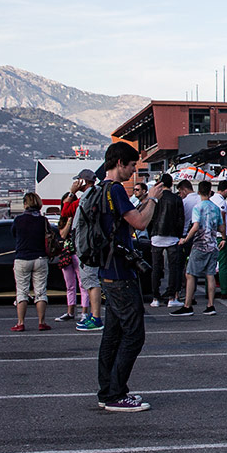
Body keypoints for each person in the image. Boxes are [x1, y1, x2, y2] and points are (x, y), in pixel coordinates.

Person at [96, 141, 165, 412]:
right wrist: (155, 200)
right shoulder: (115, 189)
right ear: (120, 163)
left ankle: (109, 390)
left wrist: (147, 200)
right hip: (121, 272)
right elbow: (140, 222)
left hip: (107, 269)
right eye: (132, 165)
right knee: (134, 335)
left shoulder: (99, 189)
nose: (133, 170)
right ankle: (115, 394)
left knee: (112, 335)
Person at [172, 180, 225, 317]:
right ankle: (210, 305)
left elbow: (195, 226)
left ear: (199, 192)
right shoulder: (215, 208)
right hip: (213, 245)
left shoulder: (198, 207)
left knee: (190, 274)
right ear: (209, 192)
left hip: (200, 245)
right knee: (210, 275)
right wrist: (224, 238)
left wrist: (185, 239)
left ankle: (187, 305)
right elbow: (221, 226)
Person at [10, 192, 52, 332]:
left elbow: (14, 234)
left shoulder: (18, 220)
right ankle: (41, 322)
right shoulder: (43, 221)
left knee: (21, 291)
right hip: (40, 258)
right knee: (40, 291)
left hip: (22, 258)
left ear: (25, 204)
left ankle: (20, 323)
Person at [70, 169, 105, 331]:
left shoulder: (91, 197)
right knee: (89, 282)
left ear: (84, 181)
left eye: (79, 180)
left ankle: (96, 317)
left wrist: (72, 193)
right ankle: (93, 314)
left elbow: (72, 215)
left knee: (91, 282)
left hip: (87, 247)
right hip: (86, 245)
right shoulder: (91, 195)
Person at [147, 174, 185, 308]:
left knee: (156, 267)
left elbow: (149, 216)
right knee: (173, 268)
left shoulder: (155, 198)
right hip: (172, 235)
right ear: (172, 183)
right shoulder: (176, 199)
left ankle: (155, 297)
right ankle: (171, 297)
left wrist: (151, 233)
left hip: (156, 235)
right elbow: (181, 219)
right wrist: (180, 235)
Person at [53, 192, 85, 322]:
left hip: (78, 252)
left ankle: (84, 312)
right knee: (70, 285)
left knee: (83, 284)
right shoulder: (63, 218)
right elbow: (63, 234)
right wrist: (69, 220)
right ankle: (70, 311)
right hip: (67, 253)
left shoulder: (81, 217)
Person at [214, 180, 227, 297]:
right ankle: (224, 290)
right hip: (220, 236)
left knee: (211, 266)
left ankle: (209, 290)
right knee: (223, 265)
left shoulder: (212, 199)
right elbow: (222, 217)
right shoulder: (221, 201)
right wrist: (223, 237)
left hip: (211, 236)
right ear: (226, 190)